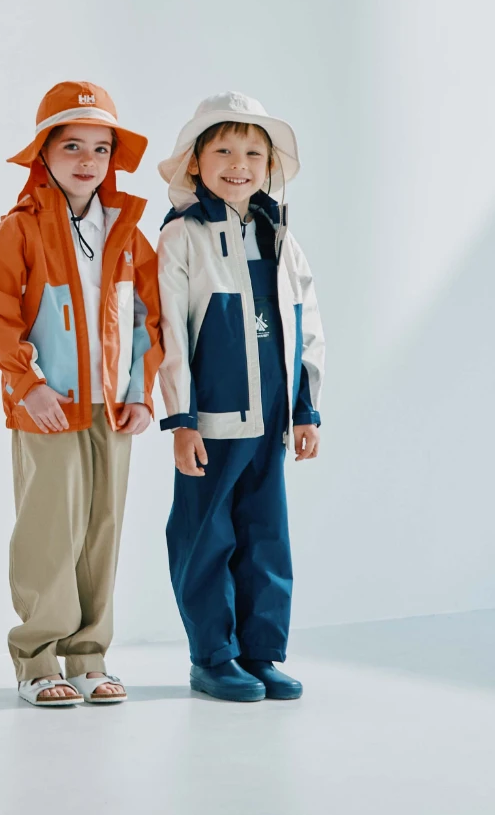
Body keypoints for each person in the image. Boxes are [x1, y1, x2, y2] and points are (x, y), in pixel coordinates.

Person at [0, 80, 163, 706]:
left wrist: (140, 391)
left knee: (102, 529)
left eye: (101, 148)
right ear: (43, 154)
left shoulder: (125, 232)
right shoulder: (19, 231)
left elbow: (148, 319)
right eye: (72, 145)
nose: (87, 160)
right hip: (47, 406)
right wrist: (29, 385)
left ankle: (88, 657)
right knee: (52, 529)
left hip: (112, 407)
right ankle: (37, 661)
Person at [155, 92, 326, 702]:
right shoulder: (183, 236)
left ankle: (261, 652)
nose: (239, 164)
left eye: (253, 153)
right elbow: (170, 332)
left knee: (265, 536)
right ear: (195, 162)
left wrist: (304, 409)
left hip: (272, 415)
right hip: (213, 417)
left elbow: (305, 325)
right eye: (224, 150)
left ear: (269, 165)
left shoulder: (280, 237)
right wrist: (181, 419)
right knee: (206, 536)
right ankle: (213, 656)